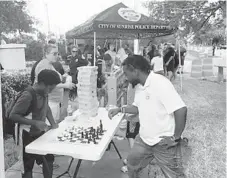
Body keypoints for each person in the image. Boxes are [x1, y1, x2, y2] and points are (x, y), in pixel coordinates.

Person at [108, 55, 187, 178]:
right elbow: (137, 108)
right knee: (132, 165)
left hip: (163, 143)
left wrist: (176, 137)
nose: (126, 77)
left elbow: (181, 110)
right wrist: (120, 109)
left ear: (135, 70)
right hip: (144, 140)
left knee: (174, 175)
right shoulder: (139, 86)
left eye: (126, 73)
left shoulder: (160, 83)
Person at [9, 69, 61, 178]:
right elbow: (13, 115)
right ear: (42, 83)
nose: (51, 91)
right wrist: (35, 123)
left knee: (48, 158)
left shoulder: (44, 92)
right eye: (50, 88)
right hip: (25, 133)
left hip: (38, 132)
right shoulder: (27, 95)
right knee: (28, 165)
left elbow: (46, 108)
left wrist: (53, 124)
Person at [34, 44, 75, 123]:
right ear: (46, 54)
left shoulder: (49, 64)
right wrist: (66, 85)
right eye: (54, 54)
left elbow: (53, 80)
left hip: (54, 101)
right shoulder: (44, 65)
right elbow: (48, 84)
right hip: (50, 101)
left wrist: (63, 76)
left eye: (58, 54)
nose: (57, 56)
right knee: (49, 126)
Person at [121, 83, 140, 173]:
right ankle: (131, 160)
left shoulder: (136, 84)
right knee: (131, 138)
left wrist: (124, 110)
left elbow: (135, 106)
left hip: (134, 117)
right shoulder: (135, 83)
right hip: (133, 116)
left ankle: (132, 165)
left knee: (132, 138)